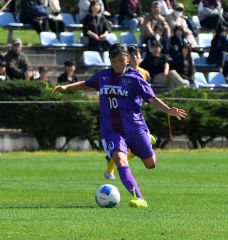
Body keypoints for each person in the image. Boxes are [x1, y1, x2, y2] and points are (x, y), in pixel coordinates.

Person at [53, 43, 187, 208]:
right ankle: (139, 199)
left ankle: (144, 141)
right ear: (110, 60)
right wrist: (66, 87)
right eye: (114, 61)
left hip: (135, 127)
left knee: (150, 164)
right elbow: (86, 84)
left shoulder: (135, 78)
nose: (118, 64)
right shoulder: (102, 76)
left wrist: (168, 110)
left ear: (128, 59)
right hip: (111, 130)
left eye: (121, 60)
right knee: (120, 161)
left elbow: (151, 98)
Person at [104, 45, 154, 180]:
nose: (136, 58)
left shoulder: (144, 73)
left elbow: (147, 90)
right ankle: (110, 169)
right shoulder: (123, 73)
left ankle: (142, 144)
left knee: (143, 156)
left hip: (137, 112)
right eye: (134, 56)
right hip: (122, 114)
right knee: (120, 150)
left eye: (138, 55)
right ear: (128, 58)